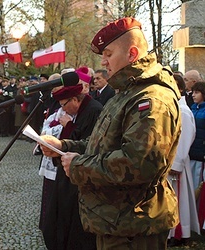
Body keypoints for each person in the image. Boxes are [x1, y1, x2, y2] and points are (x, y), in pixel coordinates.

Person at [40, 17, 181, 249]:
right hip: (116, 220)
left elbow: (139, 164)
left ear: (132, 53)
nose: (103, 62)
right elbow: (102, 145)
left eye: (108, 53)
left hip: (135, 225)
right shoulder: (127, 93)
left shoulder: (151, 99)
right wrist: (63, 147)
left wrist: (78, 166)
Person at [41, 76, 102, 250]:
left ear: (75, 99)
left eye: (64, 105)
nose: (63, 110)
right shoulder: (80, 111)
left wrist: (68, 130)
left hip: (80, 175)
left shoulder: (93, 111)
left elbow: (89, 144)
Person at [167, 75, 200, 247]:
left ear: (179, 88)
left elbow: (185, 138)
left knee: (177, 199)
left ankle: (179, 232)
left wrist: (176, 163)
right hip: (169, 161)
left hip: (176, 162)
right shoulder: (174, 107)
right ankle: (172, 231)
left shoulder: (183, 111)